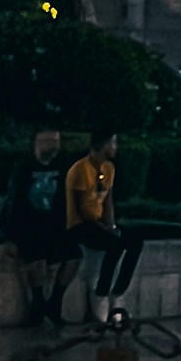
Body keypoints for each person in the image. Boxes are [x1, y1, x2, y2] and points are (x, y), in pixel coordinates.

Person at [3, 128, 79, 327]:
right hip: (29, 224)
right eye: (47, 141)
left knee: (74, 256)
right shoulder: (24, 167)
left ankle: (55, 301)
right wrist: (11, 236)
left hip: (54, 224)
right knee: (35, 259)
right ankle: (38, 304)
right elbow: (14, 202)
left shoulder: (62, 165)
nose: (52, 145)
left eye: (55, 141)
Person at [66, 130, 143, 320]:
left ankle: (118, 291)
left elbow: (107, 200)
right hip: (80, 224)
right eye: (113, 143)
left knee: (135, 241)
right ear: (104, 144)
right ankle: (101, 293)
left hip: (100, 223)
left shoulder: (109, 168)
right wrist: (106, 230)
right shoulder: (81, 169)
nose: (116, 147)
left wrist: (112, 225)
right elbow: (83, 210)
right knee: (114, 245)